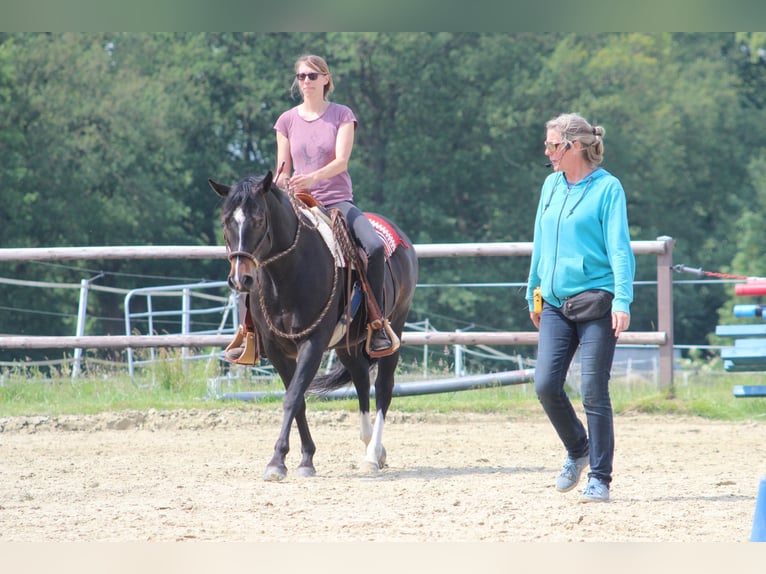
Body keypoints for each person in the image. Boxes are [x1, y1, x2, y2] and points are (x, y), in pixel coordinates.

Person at [225, 54, 396, 363]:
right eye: (302, 76)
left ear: (326, 80)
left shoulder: (342, 115)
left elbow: (341, 161)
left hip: (336, 203)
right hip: (298, 204)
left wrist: (312, 178)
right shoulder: (286, 120)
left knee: (372, 247)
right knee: (257, 250)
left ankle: (376, 321)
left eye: (312, 76)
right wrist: (285, 183)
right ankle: (250, 331)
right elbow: (283, 168)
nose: (306, 81)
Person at [525, 112, 635, 503]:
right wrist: (532, 292)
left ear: (573, 146)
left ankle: (600, 478)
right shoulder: (551, 185)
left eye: (553, 145)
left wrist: (622, 298)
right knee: (546, 385)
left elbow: (620, 248)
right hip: (554, 303)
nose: (547, 151)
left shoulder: (608, 189)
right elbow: (540, 242)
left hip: (597, 302)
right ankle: (578, 448)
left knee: (593, 389)